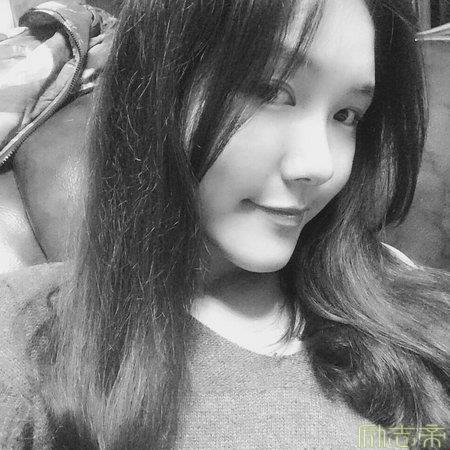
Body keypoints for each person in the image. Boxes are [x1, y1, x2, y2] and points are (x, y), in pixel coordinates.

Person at [0, 0, 449, 448]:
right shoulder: (27, 332)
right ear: (157, 90)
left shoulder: (402, 294)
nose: (320, 165)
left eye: (346, 115)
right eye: (271, 92)